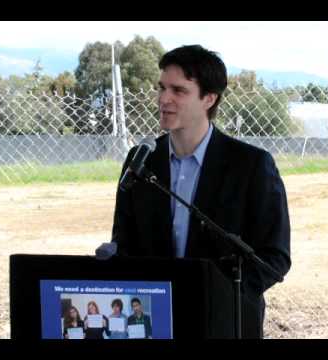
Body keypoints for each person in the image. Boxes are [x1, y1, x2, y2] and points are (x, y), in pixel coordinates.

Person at [111, 44, 291, 338]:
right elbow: (124, 240)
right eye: (161, 88)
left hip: (224, 321)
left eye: (178, 91)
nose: (163, 99)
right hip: (155, 321)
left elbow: (274, 258)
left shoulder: (251, 165)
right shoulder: (141, 159)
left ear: (209, 98)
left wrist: (217, 296)